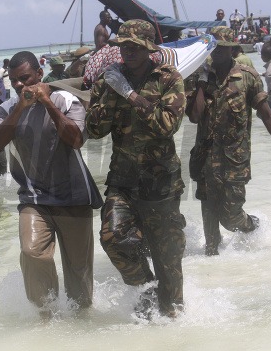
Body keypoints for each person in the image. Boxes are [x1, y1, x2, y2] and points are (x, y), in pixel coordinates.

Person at [86, 19, 187, 319]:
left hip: (161, 182)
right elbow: (93, 131)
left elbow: (167, 125)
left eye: (134, 46)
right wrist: (109, 93)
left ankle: (176, 322)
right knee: (113, 238)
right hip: (123, 180)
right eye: (123, 46)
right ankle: (147, 287)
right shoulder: (108, 81)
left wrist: (130, 95)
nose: (127, 52)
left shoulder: (168, 78)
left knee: (167, 256)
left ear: (148, 48)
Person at [0, 51, 102, 313]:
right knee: (31, 253)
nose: (20, 85)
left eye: (25, 78)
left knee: (79, 274)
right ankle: (46, 317)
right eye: (15, 81)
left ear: (39, 75)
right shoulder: (6, 109)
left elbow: (76, 139)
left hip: (74, 197)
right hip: (34, 197)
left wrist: (48, 104)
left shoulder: (64, 99)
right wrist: (20, 108)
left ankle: (81, 324)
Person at [186, 27, 271, 257]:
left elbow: (266, 114)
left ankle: (254, 227)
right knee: (209, 213)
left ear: (232, 49)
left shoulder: (248, 77)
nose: (216, 53)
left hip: (234, 160)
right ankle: (213, 259)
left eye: (222, 49)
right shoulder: (200, 78)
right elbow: (194, 116)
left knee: (231, 216)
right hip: (205, 159)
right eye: (213, 48)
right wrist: (202, 84)